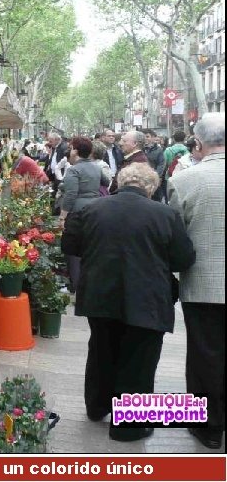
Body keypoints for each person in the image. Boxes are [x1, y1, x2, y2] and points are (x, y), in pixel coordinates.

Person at [62, 163, 196, 442]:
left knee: (101, 348)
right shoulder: (166, 215)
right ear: (151, 187)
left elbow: (70, 246)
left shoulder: (90, 210)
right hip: (147, 297)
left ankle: (97, 406)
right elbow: (184, 258)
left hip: (100, 294)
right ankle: (129, 426)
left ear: (119, 183)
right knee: (139, 358)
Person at [167, 112, 225, 450]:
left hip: (203, 283)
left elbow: (175, 238)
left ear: (199, 143)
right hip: (202, 283)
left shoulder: (185, 180)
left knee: (205, 353)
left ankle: (209, 426)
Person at [59, 137, 111, 292]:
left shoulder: (73, 170)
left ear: (76, 150)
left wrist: (62, 217)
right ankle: (92, 283)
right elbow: (106, 181)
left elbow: (71, 195)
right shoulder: (96, 166)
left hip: (77, 212)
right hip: (96, 209)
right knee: (91, 247)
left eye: (71, 148)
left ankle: (76, 286)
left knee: (73, 250)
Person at [44, 132, 69, 212]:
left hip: (60, 175)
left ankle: (57, 210)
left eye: (51, 141)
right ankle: (53, 209)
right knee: (53, 192)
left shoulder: (64, 147)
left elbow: (65, 162)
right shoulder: (55, 147)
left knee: (59, 193)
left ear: (57, 140)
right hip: (54, 174)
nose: (50, 143)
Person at [143, 129, 166, 201]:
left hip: (153, 179)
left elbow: (161, 164)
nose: (145, 139)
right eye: (144, 137)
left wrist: (156, 176)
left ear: (153, 138)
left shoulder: (159, 150)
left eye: (147, 136)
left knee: (155, 199)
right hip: (142, 180)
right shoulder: (140, 149)